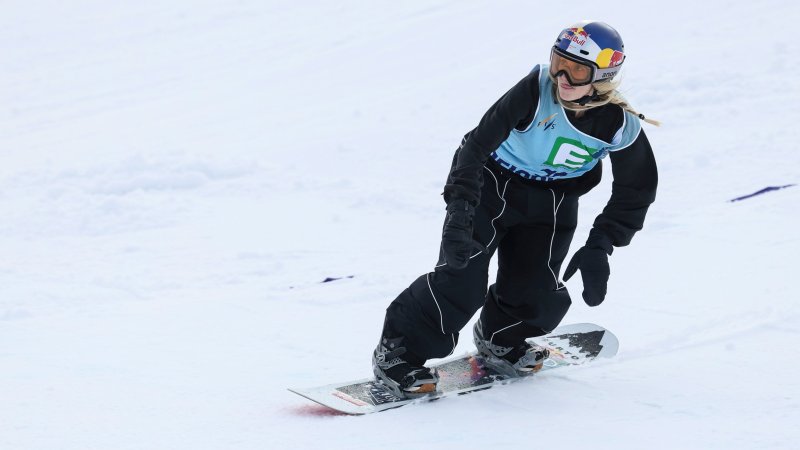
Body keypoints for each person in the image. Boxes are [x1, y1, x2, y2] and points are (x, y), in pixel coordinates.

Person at [372, 20, 659, 398]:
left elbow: (636, 190)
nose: (563, 77)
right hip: (491, 186)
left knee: (538, 290)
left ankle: (501, 339)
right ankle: (398, 355)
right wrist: (460, 210)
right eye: (559, 62)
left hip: (551, 203)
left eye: (576, 69)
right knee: (462, 279)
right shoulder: (535, 90)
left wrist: (601, 245)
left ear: (602, 76)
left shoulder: (620, 127)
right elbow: (475, 146)